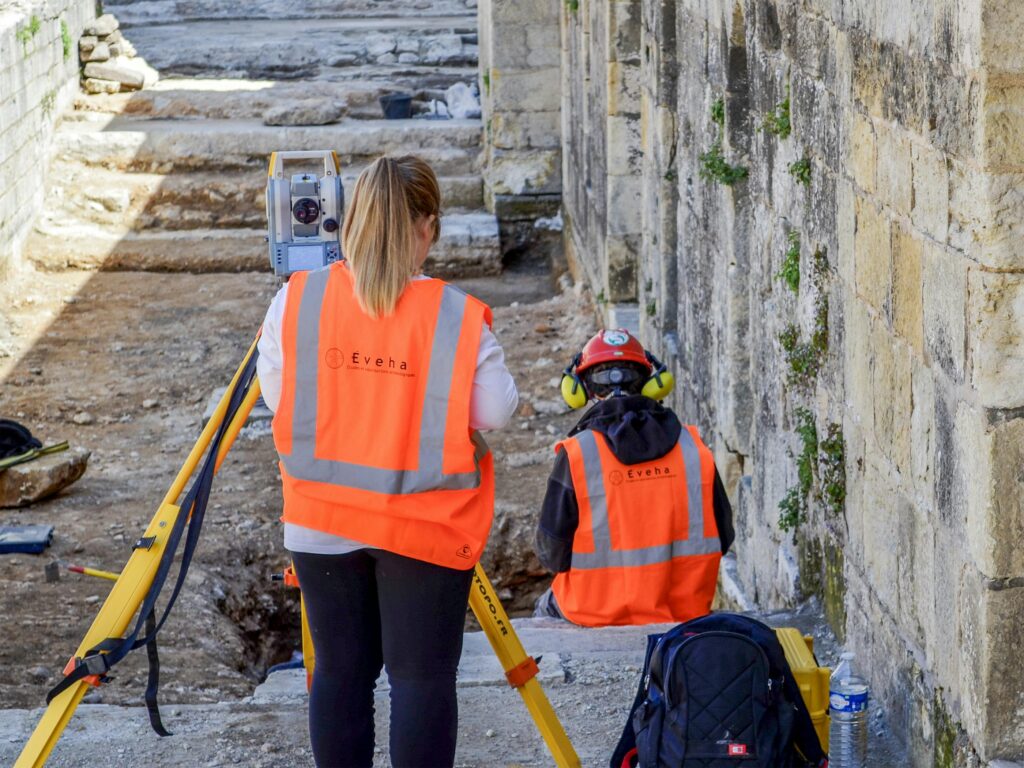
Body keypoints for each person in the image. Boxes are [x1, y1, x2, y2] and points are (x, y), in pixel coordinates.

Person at [257, 155, 518, 768]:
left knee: (341, 674)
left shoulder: (296, 300)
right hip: (422, 528)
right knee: (420, 681)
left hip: (319, 522)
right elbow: (497, 410)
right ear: (427, 226)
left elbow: (279, 397)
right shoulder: (455, 316)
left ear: (349, 223)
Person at [534, 329, 734, 627]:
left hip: (593, 613)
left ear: (583, 388)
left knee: (542, 612)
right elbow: (724, 537)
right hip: (684, 612)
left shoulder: (579, 454)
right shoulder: (693, 448)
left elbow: (552, 555)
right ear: (651, 384)